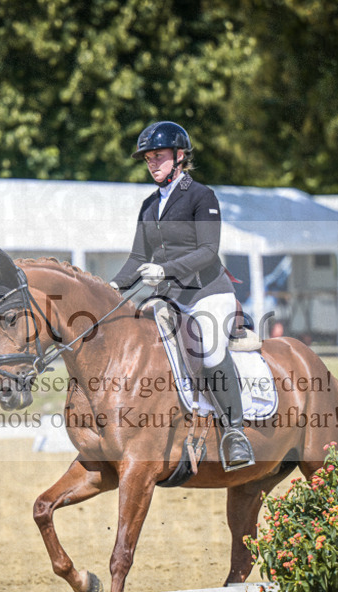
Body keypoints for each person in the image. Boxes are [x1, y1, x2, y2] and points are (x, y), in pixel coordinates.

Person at [109, 121, 253, 469]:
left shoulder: (201, 196)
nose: (152, 164)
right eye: (148, 159)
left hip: (207, 292)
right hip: (171, 296)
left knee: (210, 347)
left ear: (179, 156)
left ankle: (235, 432)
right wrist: (111, 288)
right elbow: (138, 258)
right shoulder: (148, 205)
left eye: (159, 156)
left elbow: (208, 250)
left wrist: (166, 270)